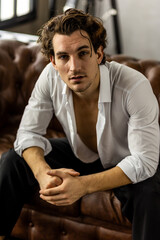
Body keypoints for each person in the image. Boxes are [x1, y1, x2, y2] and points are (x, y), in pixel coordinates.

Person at [0, 8, 160, 240]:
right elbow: (27, 134)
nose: (74, 67)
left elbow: (144, 161)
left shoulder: (133, 85)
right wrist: (43, 173)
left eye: (83, 53)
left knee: (150, 191)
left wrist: (83, 186)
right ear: (53, 61)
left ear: (99, 53)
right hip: (82, 153)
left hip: (126, 159)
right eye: (64, 56)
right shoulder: (49, 77)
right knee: (13, 161)